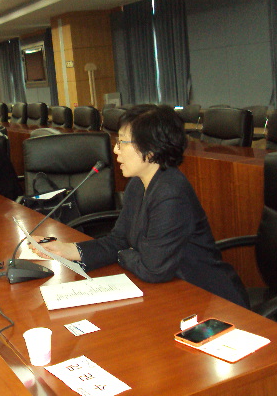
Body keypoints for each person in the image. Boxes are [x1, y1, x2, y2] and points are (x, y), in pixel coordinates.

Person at [33, 104, 249, 307]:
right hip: (171, 291)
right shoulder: (138, 184)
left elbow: (153, 269)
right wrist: (69, 250)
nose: (115, 150)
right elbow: (118, 240)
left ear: (151, 149)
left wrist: (122, 253)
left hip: (208, 297)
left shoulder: (170, 193)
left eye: (122, 142)